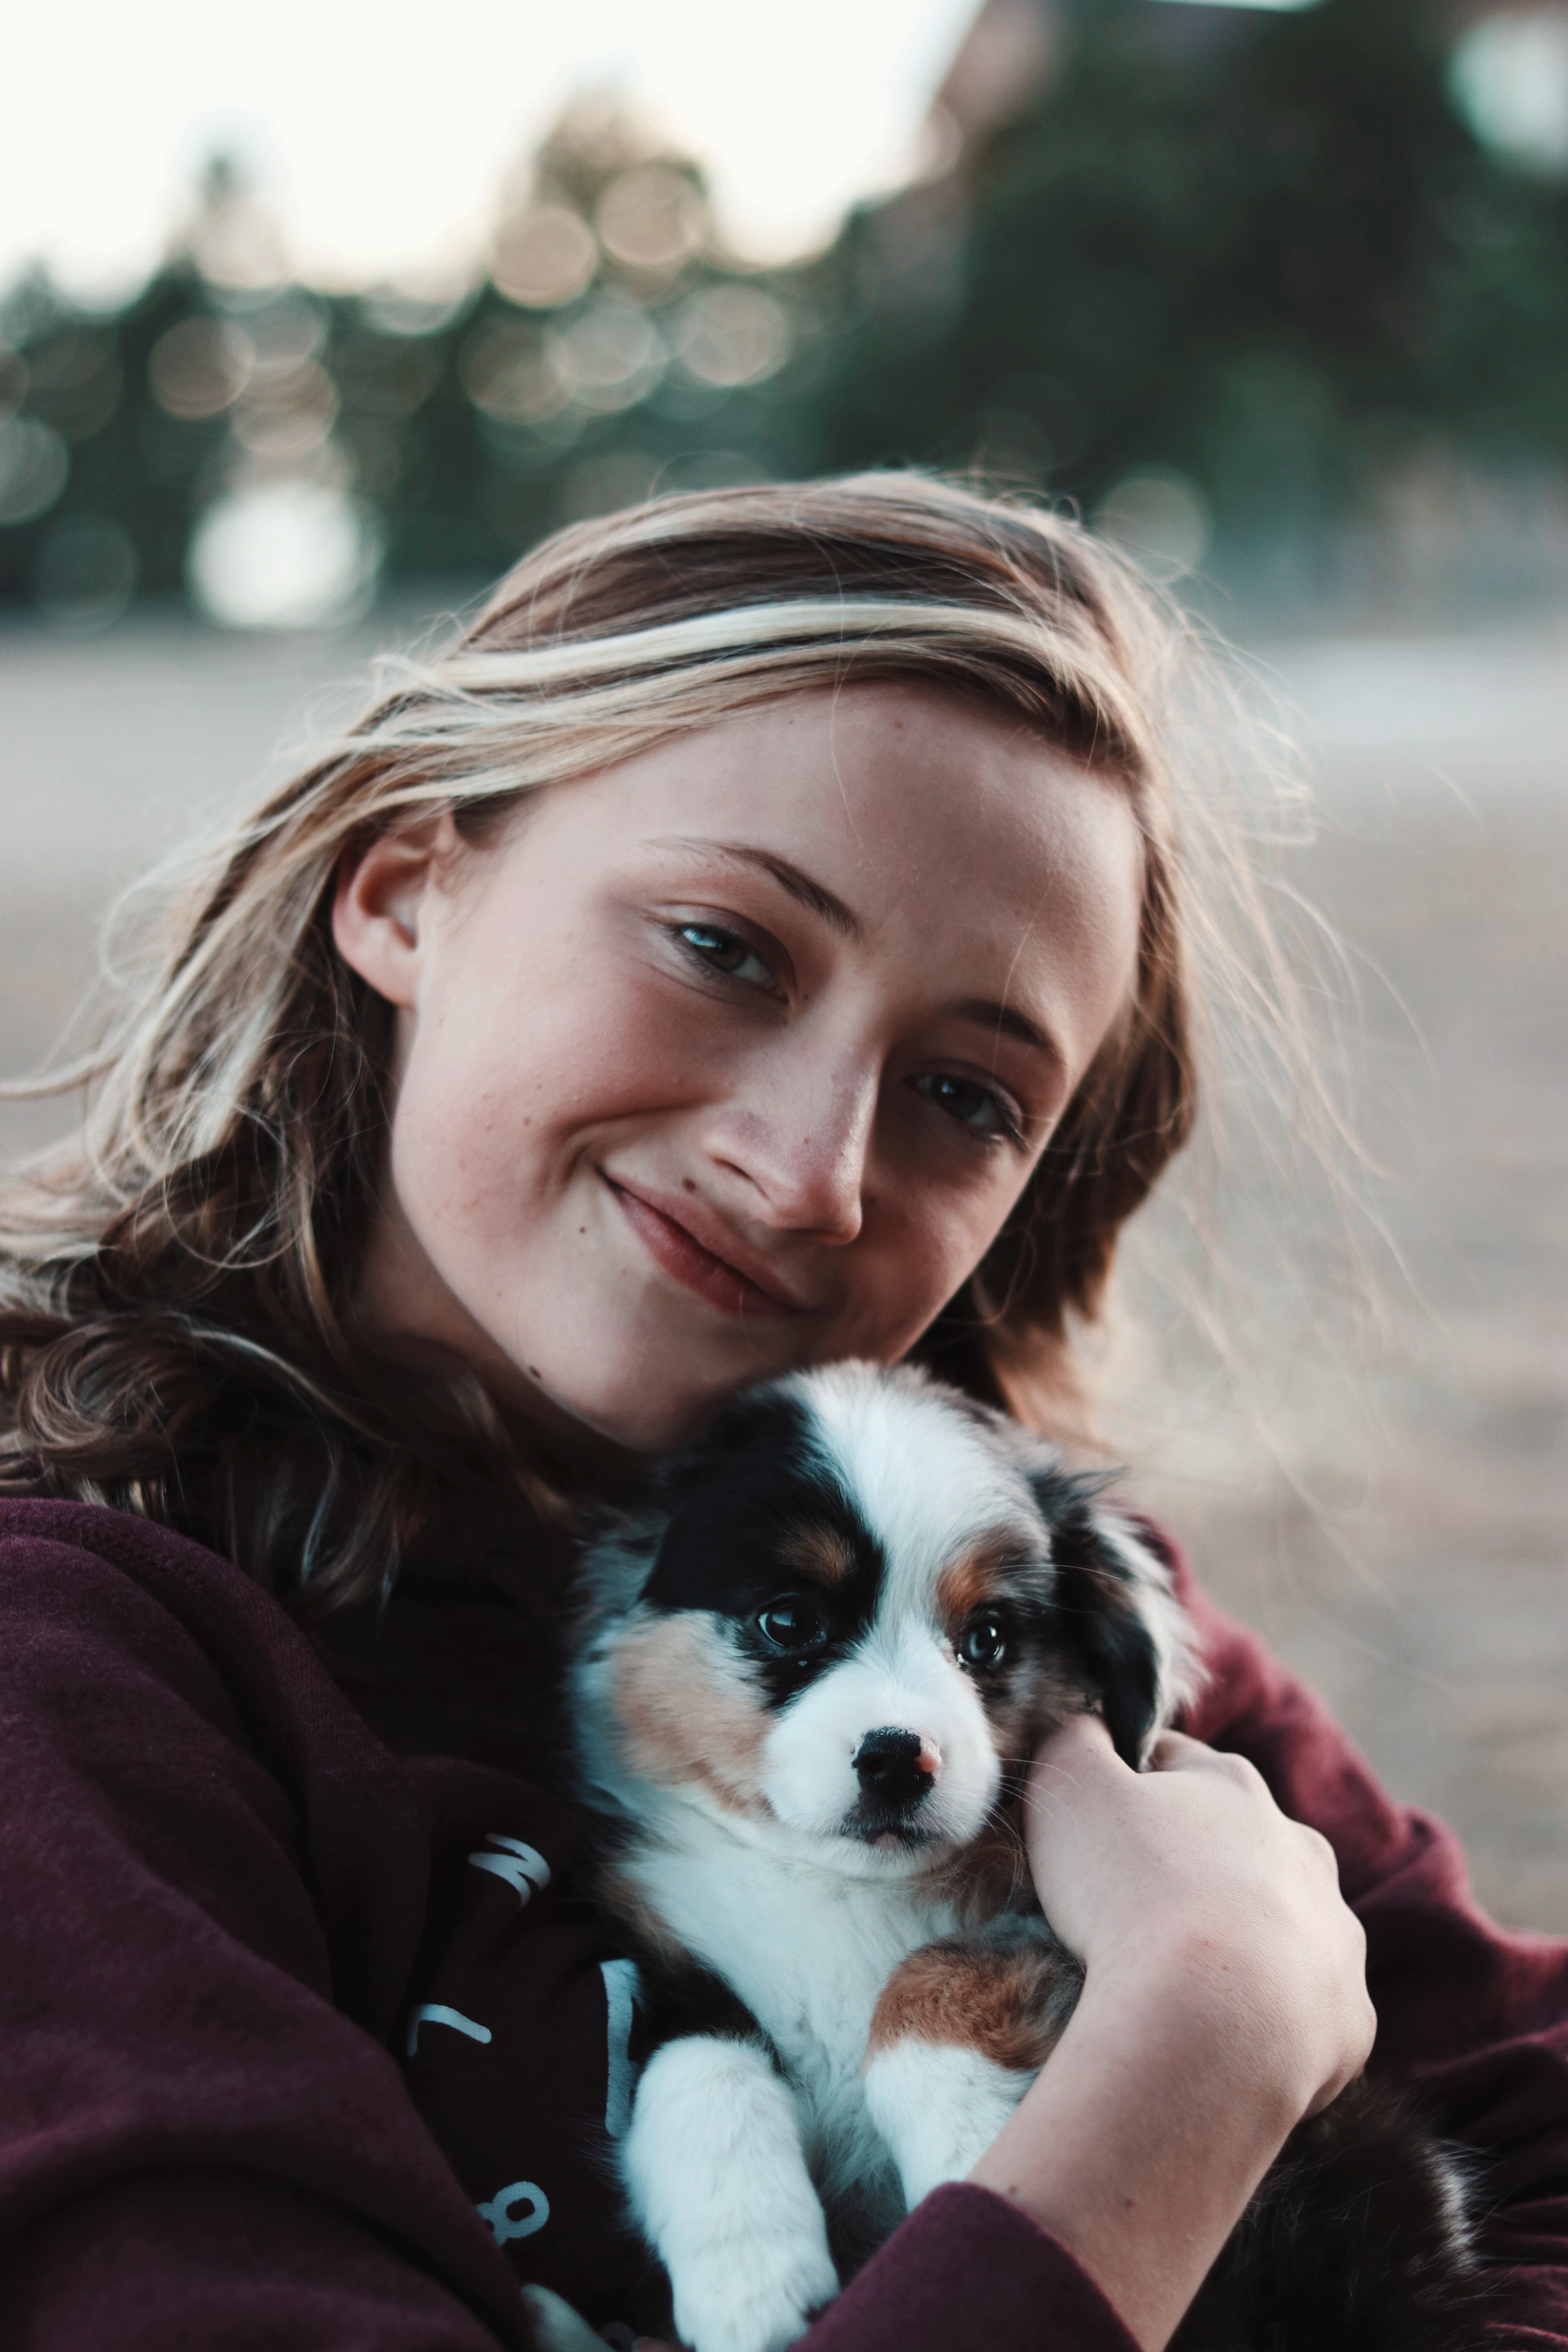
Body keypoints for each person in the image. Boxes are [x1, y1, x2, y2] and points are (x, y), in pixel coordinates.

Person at [0, 474, 1561, 2352]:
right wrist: (1193, 2057)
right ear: (408, 890)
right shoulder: (76, 1676)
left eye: (968, 1094)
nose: (809, 1170)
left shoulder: (1046, 1631)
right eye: (725, 947)